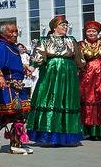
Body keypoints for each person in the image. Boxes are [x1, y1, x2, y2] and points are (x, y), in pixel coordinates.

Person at [26, 15, 84, 146]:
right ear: (54, 27)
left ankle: (68, 135)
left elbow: (79, 57)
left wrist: (82, 67)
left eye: (66, 25)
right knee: (50, 98)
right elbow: (38, 55)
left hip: (68, 73)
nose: (65, 27)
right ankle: (47, 135)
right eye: (62, 25)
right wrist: (32, 66)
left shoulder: (71, 40)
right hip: (51, 73)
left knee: (67, 100)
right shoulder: (45, 40)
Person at [0, 23, 33, 155]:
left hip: (17, 86)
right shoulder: (1, 46)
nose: (14, 34)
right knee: (18, 114)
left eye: (16, 32)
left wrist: (23, 68)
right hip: (9, 87)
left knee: (11, 114)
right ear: (3, 33)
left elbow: (10, 63)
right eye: (11, 32)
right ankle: (15, 144)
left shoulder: (10, 46)